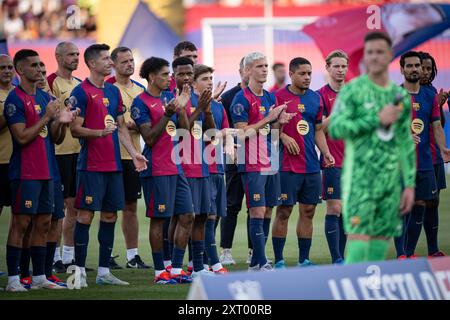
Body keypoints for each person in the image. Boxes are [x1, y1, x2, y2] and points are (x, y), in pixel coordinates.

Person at [328, 32, 416, 263]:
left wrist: (408, 184)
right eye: (370, 52)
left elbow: (405, 143)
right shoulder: (352, 90)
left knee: (379, 249)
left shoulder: (399, 96)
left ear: (390, 55)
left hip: (389, 182)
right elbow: (336, 129)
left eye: (380, 52)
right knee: (358, 248)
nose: (374, 57)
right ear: (364, 57)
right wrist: (376, 119)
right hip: (359, 181)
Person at [69, 44, 147, 287]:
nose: (109, 62)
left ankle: (104, 272)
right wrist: (100, 132)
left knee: (111, 215)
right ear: (92, 63)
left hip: (114, 164)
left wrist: (134, 153)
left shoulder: (113, 92)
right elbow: (74, 129)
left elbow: (122, 126)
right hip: (91, 165)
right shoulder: (81, 91)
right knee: (84, 215)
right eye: (105, 58)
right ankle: (78, 272)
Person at [4, 49, 76, 291]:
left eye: (40, 65)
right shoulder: (15, 99)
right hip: (25, 172)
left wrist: (62, 123)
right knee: (21, 224)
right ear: (21, 70)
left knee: (44, 223)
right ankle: (14, 280)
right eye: (33, 65)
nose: (38, 69)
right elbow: (22, 137)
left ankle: (39, 278)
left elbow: (54, 139)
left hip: (49, 171)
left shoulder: (45, 99)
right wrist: (46, 118)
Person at [131, 56, 193, 284]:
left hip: (175, 167)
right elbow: (149, 137)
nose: (170, 78)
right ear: (151, 77)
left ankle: (176, 270)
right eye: (165, 74)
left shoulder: (170, 97)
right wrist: (167, 113)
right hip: (156, 168)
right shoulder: (140, 103)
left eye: (170, 74)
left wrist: (182, 107)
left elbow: (185, 132)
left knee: (187, 215)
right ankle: (160, 273)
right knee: (159, 220)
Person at [230, 52, 293, 271]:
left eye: (266, 66)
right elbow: (241, 134)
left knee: (267, 211)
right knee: (256, 211)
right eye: (259, 66)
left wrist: (280, 122)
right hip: (251, 162)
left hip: (270, 160)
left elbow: (272, 132)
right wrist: (268, 118)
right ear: (247, 71)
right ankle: (260, 261)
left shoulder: (269, 97)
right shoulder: (241, 99)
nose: (265, 69)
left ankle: (257, 263)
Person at [272, 57, 334, 268]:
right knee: (284, 211)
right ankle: (279, 260)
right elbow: (266, 131)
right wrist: (282, 136)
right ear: (291, 74)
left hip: (311, 166)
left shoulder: (315, 98)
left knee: (308, 211)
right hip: (286, 167)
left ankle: (303, 260)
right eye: (302, 73)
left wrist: (325, 153)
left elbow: (318, 130)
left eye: (309, 73)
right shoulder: (277, 97)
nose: (307, 77)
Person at [396, 51, 450, 259]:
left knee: (422, 205)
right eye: (409, 66)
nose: (414, 69)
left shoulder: (429, 96)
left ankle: (408, 255)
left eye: (417, 65)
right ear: (402, 70)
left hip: (425, 162)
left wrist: (444, 148)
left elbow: (436, 127)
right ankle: (402, 253)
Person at [107, 46, 150, 269]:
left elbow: (146, 123)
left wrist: (136, 125)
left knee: (130, 206)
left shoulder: (141, 90)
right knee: (108, 208)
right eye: (124, 61)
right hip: (110, 156)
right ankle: (106, 255)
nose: (130, 65)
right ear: (113, 65)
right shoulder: (106, 89)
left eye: (131, 60)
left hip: (133, 156)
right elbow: (111, 122)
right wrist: (130, 124)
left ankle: (132, 256)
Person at [47, 41, 82, 272]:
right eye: (71, 54)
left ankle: (68, 257)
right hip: (58, 153)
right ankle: (54, 256)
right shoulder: (51, 82)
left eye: (78, 54)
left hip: (78, 153)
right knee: (56, 210)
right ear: (58, 56)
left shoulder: (79, 85)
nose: (75, 58)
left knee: (74, 207)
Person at [194, 64, 229, 274]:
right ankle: (214, 263)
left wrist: (228, 142)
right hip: (201, 168)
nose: (209, 81)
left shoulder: (218, 106)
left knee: (213, 217)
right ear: (194, 82)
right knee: (202, 217)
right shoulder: (192, 105)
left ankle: (203, 262)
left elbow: (221, 133)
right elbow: (200, 135)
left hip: (218, 168)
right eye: (205, 78)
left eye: (210, 78)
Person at [219, 57, 252, 265]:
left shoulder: (267, 97)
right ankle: (226, 251)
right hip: (234, 157)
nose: (250, 73)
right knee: (231, 205)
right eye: (247, 69)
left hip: (259, 157)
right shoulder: (229, 97)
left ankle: (252, 252)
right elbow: (223, 125)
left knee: (256, 206)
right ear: (240, 71)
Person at [317, 50, 349, 264]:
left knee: (348, 211)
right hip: (332, 160)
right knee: (334, 207)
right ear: (327, 68)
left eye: (343, 66)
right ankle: (336, 258)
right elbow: (318, 128)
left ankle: (342, 258)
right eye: (336, 66)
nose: (340, 70)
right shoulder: (319, 95)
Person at [418, 51, 448, 257]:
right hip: (416, 158)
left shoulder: (432, 92)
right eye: (423, 68)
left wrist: (440, 105)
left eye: (430, 68)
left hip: (434, 156)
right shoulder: (405, 93)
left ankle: (433, 249)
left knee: (434, 202)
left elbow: (439, 126)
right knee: (414, 203)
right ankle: (405, 251)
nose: (426, 72)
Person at [0, 54, 15, 281]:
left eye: (10, 67)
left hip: (19, 164)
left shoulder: (19, 94)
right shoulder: (14, 98)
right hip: (0, 162)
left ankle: (17, 267)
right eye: (2, 67)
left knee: (22, 217)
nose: (6, 71)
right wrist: (12, 109)